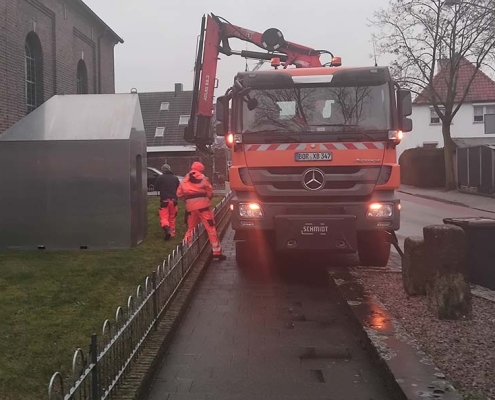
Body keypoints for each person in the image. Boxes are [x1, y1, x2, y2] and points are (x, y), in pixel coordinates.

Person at [177, 161, 226, 260]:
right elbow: (209, 191)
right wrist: (206, 200)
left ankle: (186, 251)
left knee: (191, 229)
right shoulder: (203, 178)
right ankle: (216, 252)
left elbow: (179, 194)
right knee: (210, 228)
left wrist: (188, 201)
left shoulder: (185, 179)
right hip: (203, 208)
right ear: (201, 169)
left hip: (191, 208)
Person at [155, 164, 180, 241]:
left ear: (162, 170)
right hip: (174, 201)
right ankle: (172, 233)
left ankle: (167, 230)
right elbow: (178, 187)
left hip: (164, 201)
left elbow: (156, 187)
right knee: (172, 217)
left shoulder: (160, 178)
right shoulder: (175, 178)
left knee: (164, 217)